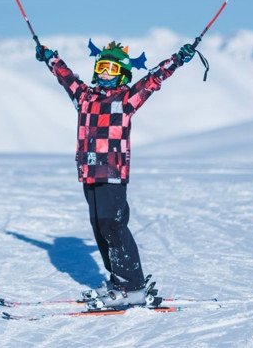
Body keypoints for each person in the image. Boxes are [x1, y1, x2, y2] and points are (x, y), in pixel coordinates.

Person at [35, 39, 196, 308]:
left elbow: (153, 79)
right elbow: (66, 78)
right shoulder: (84, 97)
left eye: (110, 68)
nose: (104, 73)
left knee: (113, 225)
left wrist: (177, 59)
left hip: (112, 172)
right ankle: (118, 280)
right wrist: (51, 59)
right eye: (101, 67)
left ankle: (132, 285)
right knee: (100, 228)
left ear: (122, 73)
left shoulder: (126, 99)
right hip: (89, 171)